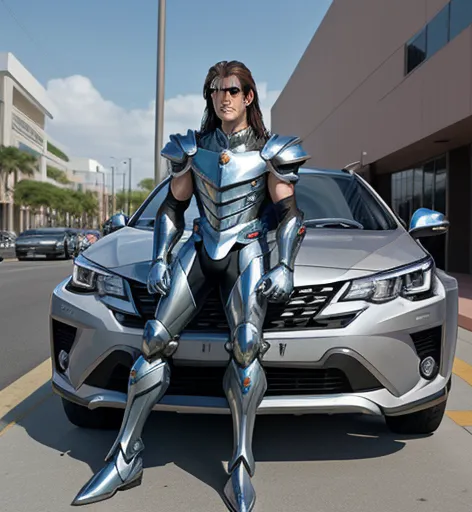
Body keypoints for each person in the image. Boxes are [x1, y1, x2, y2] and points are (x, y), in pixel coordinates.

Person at [71, 60, 310, 511]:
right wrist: (160, 258)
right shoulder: (191, 148)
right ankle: (125, 456)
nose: (224, 97)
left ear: (248, 96)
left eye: (233, 90)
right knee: (154, 339)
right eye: (216, 90)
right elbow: (171, 208)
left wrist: (286, 268)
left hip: (247, 250)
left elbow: (290, 214)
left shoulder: (270, 151)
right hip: (199, 248)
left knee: (245, 345)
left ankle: (240, 462)